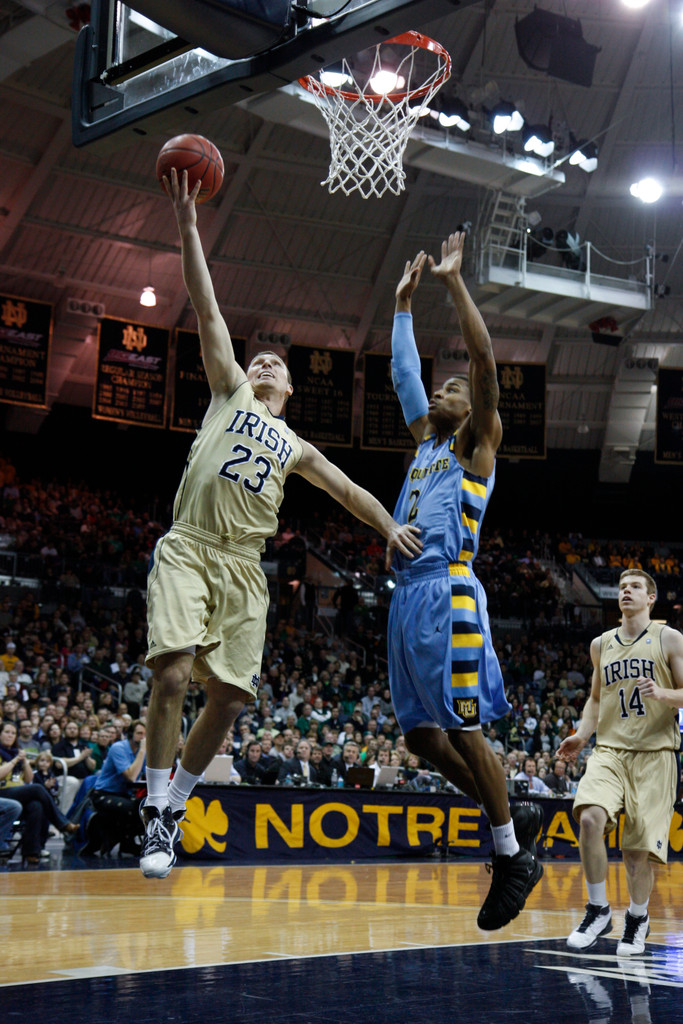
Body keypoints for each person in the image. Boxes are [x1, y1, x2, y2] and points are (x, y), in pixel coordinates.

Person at [138, 168, 422, 880]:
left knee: (230, 696)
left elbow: (350, 490)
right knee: (172, 674)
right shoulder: (229, 392)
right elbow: (205, 310)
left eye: (276, 363)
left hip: (244, 565)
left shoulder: (294, 444)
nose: (264, 359)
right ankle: (153, 809)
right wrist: (188, 225)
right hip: (190, 547)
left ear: (290, 391)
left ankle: (176, 803)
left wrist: (388, 527)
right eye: (258, 354)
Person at [386, 232, 543, 931]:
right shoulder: (424, 445)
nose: (443, 389)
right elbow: (401, 379)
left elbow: (481, 361)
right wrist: (400, 310)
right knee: (420, 739)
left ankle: (511, 854)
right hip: (404, 598)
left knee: (463, 723)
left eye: (452, 388)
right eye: (439, 387)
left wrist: (451, 284)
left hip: (448, 589)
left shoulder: (477, 445)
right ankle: (501, 802)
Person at [559, 569, 683, 956]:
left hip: (656, 754)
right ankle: (598, 909)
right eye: (622, 587)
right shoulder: (601, 644)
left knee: (635, 853)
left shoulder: (669, 638)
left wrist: (662, 693)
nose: (626, 591)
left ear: (651, 598)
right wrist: (582, 735)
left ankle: (638, 917)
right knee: (590, 818)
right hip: (610, 751)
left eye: (635, 587)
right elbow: (596, 700)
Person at [84, 720, 147, 857]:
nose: (143, 737)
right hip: (103, 794)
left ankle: (125, 842)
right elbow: (131, 776)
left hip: (125, 794)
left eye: (145, 734)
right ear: (130, 734)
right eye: (139, 733)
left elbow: (149, 773)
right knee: (130, 808)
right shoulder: (118, 748)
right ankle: (125, 842)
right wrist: (142, 751)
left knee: (146, 807)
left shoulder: (144, 752)